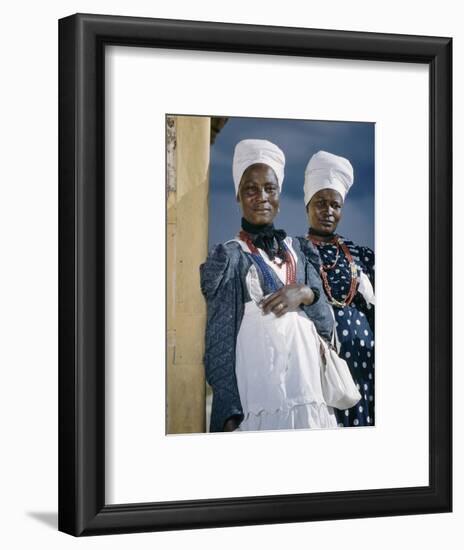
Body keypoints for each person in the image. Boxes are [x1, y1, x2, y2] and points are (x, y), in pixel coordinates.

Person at [200, 139, 337, 432]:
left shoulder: (298, 250)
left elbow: (326, 324)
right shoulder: (231, 257)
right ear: (238, 195)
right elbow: (219, 343)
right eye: (251, 189)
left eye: (269, 188)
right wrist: (229, 413)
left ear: (278, 193)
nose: (261, 196)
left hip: (307, 396)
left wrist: (305, 293)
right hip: (258, 403)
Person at [297, 150, 375, 427]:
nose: (328, 211)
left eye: (335, 205)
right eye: (320, 203)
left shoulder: (362, 254)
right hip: (320, 370)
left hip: (365, 370)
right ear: (307, 205)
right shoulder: (293, 252)